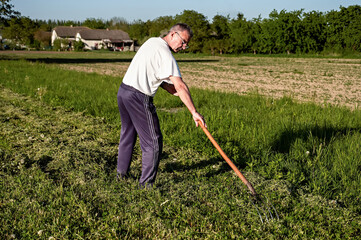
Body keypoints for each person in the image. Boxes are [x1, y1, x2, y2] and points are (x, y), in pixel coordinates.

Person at [116, 23, 206, 188]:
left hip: (123, 92)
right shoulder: (166, 55)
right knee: (153, 142)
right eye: (183, 41)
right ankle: (145, 186)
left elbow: (157, 76)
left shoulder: (152, 42)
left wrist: (172, 90)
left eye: (187, 44)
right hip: (138, 97)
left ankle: (121, 176)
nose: (184, 47)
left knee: (127, 134)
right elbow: (180, 85)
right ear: (173, 35)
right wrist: (194, 111)